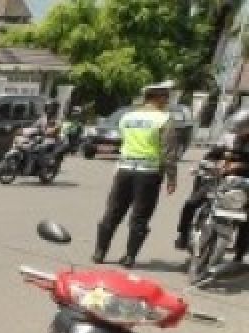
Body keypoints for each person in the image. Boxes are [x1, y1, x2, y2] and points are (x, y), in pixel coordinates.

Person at [92, 80, 180, 267]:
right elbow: (169, 152)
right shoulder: (164, 120)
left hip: (124, 170)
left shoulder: (127, 117)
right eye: (165, 96)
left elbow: (125, 142)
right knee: (140, 215)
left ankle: (99, 252)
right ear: (157, 97)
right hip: (148, 174)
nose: (167, 100)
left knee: (113, 212)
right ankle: (130, 257)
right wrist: (172, 178)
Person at [175, 108, 249, 257]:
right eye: (237, 127)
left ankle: (239, 253)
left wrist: (241, 166)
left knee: (246, 218)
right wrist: (207, 164)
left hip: (243, 185)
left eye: (242, 128)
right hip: (220, 181)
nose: (238, 132)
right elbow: (211, 155)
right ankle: (183, 235)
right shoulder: (228, 139)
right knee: (191, 203)